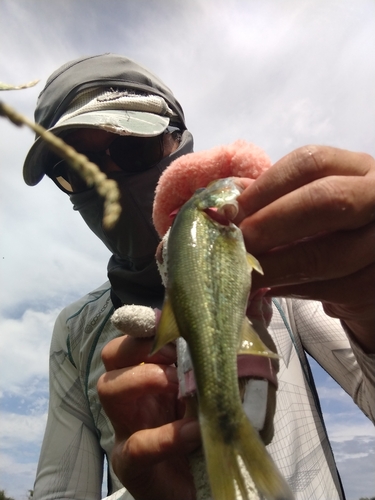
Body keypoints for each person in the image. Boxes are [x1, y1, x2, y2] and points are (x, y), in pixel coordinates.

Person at [23, 53, 374, 500]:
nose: (106, 181)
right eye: (73, 171)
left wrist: (368, 310)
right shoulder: (76, 334)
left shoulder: (278, 271)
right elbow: (59, 492)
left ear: (181, 145)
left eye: (133, 147)